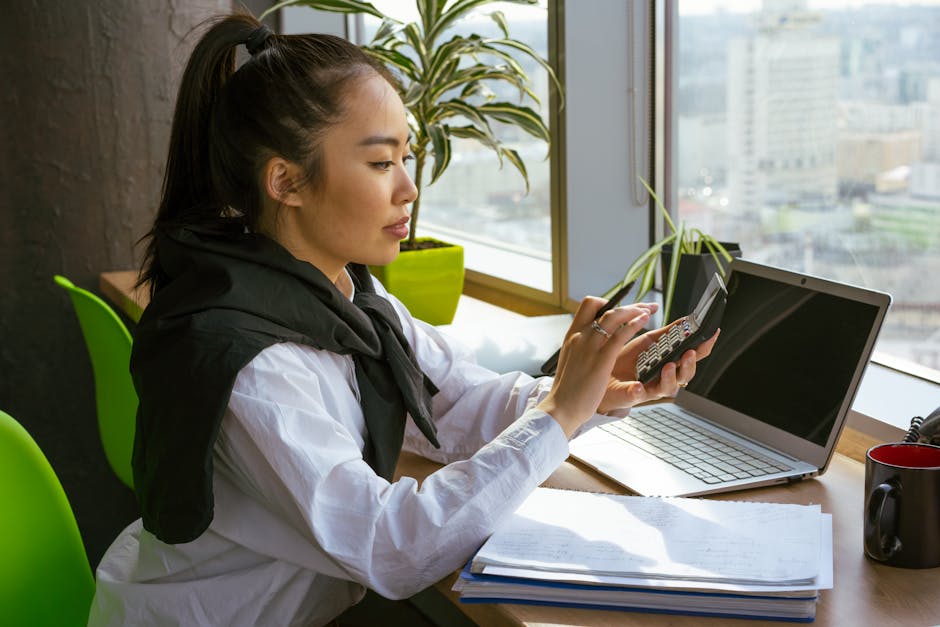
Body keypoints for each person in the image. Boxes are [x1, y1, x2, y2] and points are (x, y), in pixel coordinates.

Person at [88, 11, 718, 627]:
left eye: (405, 158)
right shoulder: (254, 363)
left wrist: (590, 391)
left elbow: (456, 403)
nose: (409, 188)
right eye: (381, 162)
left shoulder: (347, 296)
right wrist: (558, 414)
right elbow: (392, 548)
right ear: (286, 180)